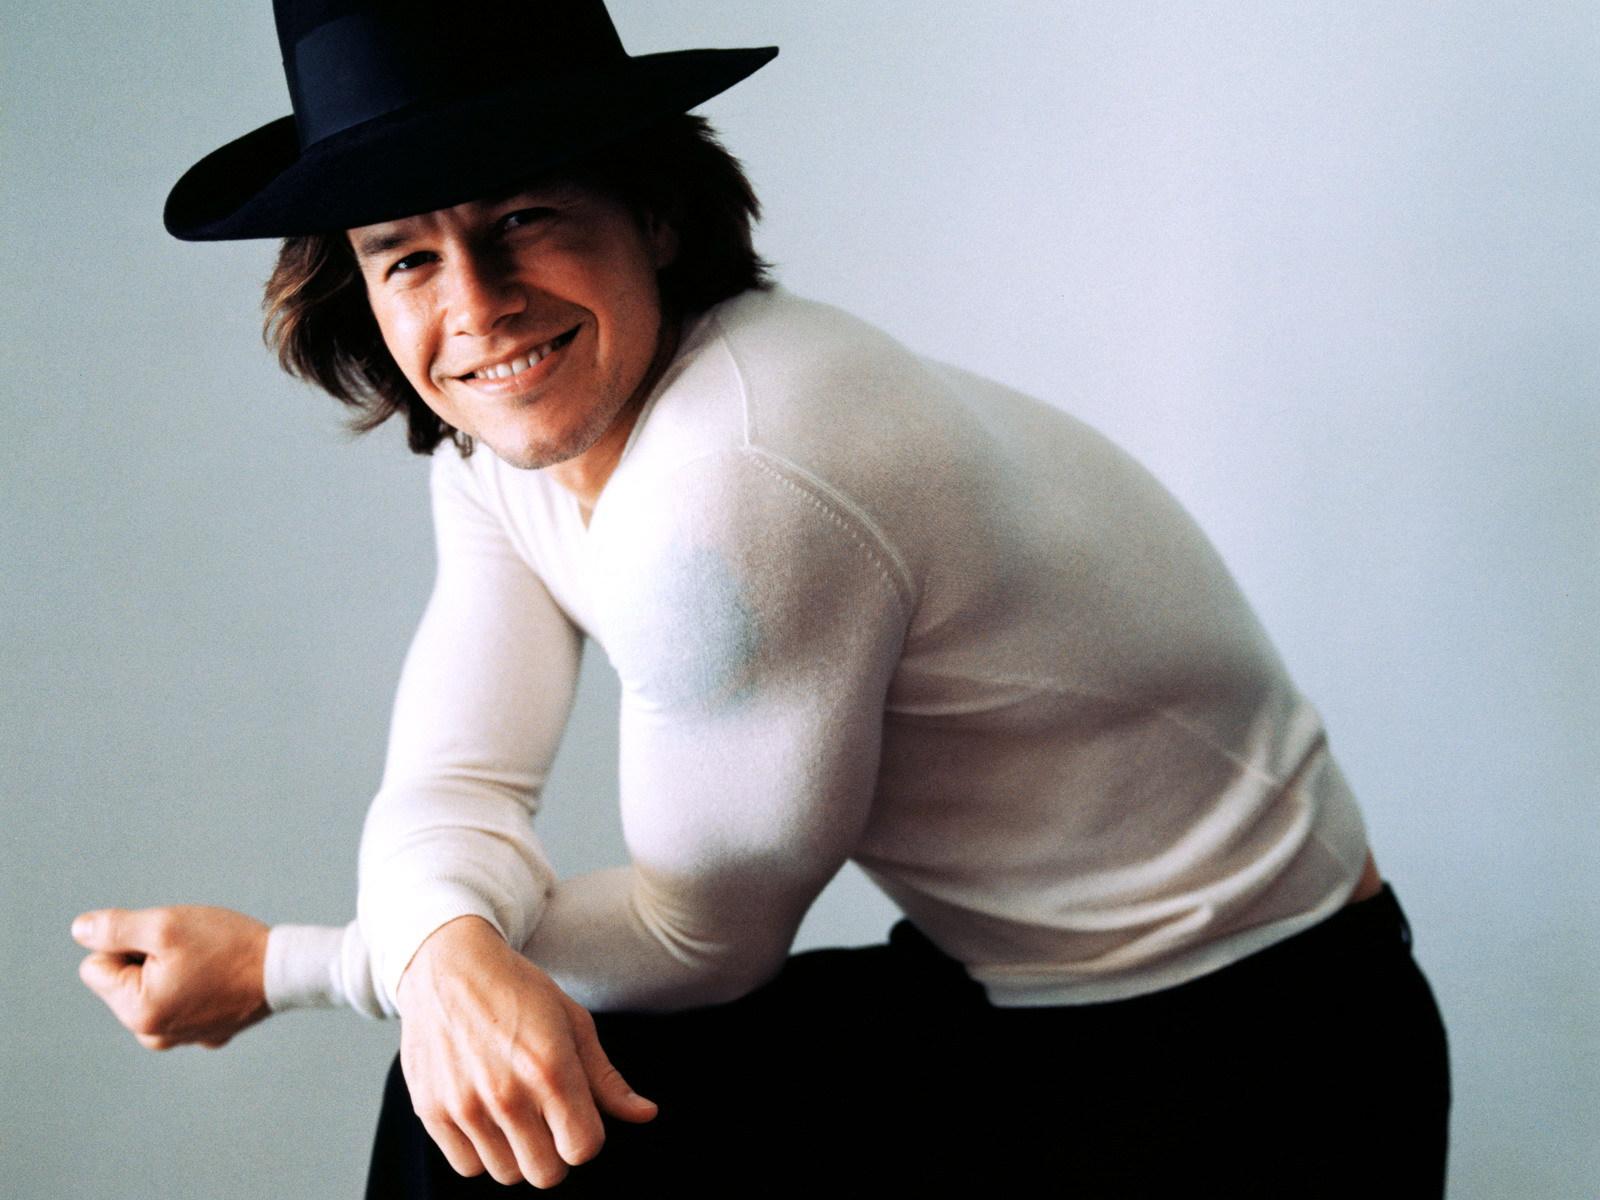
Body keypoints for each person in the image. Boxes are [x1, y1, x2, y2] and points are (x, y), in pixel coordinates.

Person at [72, 1, 1451, 1195]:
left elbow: (700, 942)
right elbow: (453, 785)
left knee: (495, 1078)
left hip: (1256, 1044)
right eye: (408, 256)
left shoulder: (742, 468)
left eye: (524, 218)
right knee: (478, 1090)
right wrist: (439, 956)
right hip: (997, 994)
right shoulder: (507, 446)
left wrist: (302, 965)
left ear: (655, 214)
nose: (478, 309)